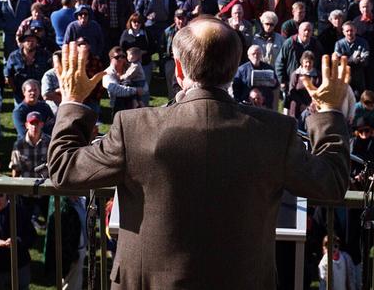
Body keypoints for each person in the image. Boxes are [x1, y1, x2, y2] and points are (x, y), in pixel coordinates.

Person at [48, 16, 351, 288]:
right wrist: (329, 112)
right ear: (234, 69)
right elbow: (332, 183)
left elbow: (64, 169)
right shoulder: (274, 131)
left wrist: (73, 100)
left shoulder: (135, 127)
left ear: (178, 68)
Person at [232, 45, 279, 109]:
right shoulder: (241, 70)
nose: (256, 56)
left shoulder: (269, 68)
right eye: (253, 54)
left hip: (265, 105)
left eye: (258, 54)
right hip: (247, 105)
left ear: (261, 55)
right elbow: (236, 88)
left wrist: (274, 82)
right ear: (249, 56)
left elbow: (276, 85)